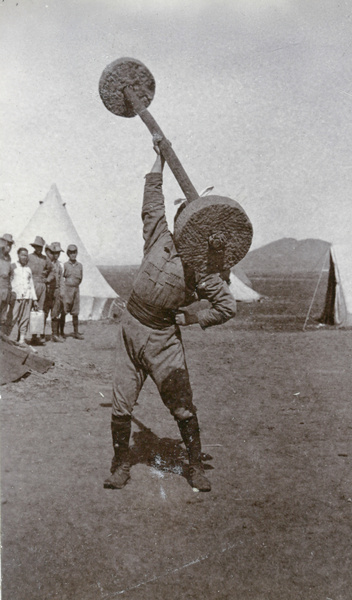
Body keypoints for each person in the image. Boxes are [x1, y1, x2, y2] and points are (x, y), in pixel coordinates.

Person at [104, 137, 236, 492]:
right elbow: (152, 200)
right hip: (130, 329)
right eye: (183, 219)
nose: (184, 225)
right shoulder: (158, 236)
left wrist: (191, 317)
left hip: (164, 341)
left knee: (182, 406)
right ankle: (120, 464)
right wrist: (160, 159)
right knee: (121, 403)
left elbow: (227, 306)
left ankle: (195, 466)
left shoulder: (204, 269)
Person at [27, 235, 54, 345]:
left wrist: (47, 279)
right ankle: (22, 336)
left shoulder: (45, 259)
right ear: (34, 247)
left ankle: (35, 336)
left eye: (41, 247)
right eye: (37, 247)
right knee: (27, 310)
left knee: (39, 311)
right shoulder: (29, 257)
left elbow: (52, 270)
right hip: (31, 285)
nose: (39, 249)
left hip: (42, 286)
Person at [9, 248, 38, 346]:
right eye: (22, 255)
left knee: (24, 319)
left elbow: (31, 284)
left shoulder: (28, 269)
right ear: (18, 255)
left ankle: (21, 340)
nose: (24, 257)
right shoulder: (13, 266)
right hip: (16, 297)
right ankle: (5, 337)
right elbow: (8, 281)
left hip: (27, 297)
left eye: (26, 255)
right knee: (12, 317)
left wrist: (34, 299)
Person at [59, 244, 84, 340]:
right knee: (64, 311)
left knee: (75, 312)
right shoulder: (65, 265)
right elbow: (62, 278)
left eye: (74, 252)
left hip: (76, 290)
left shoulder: (80, 265)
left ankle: (76, 332)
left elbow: (80, 278)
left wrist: (75, 285)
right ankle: (61, 332)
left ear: (77, 253)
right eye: (71, 252)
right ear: (68, 253)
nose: (73, 254)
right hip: (67, 290)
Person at [44, 242, 65, 343]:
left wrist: (61, 291)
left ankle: (55, 335)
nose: (56, 254)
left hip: (56, 291)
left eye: (58, 253)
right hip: (47, 290)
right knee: (44, 313)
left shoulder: (59, 265)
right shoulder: (45, 262)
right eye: (54, 252)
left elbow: (61, 279)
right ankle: (41, 334)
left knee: (55, 313)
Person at [0, 235, 14, 334]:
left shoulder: (8, 258)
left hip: (6, 287)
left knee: (3, 312)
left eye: (10, 245)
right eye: (7, 245)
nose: (8, 247)